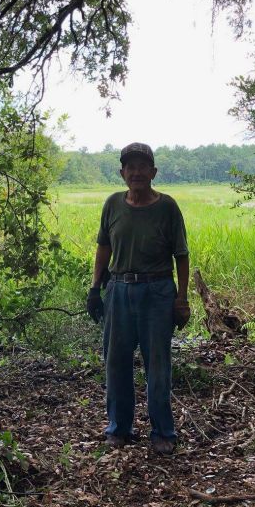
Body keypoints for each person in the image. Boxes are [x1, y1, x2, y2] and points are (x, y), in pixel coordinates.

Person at [86, 143, 190, 455]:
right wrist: (94, 288)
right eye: (130, 167)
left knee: (157, 364)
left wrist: (181, 300)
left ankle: (162, 432)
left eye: (143, 167)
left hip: (157, 292)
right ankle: (119, 428)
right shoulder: (113, 204)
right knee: (115, 361)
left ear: (153, 172)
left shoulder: (167, 207)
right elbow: (104, 248)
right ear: (122, 173)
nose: (136, 172)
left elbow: (181, 256)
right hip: (118, 289)